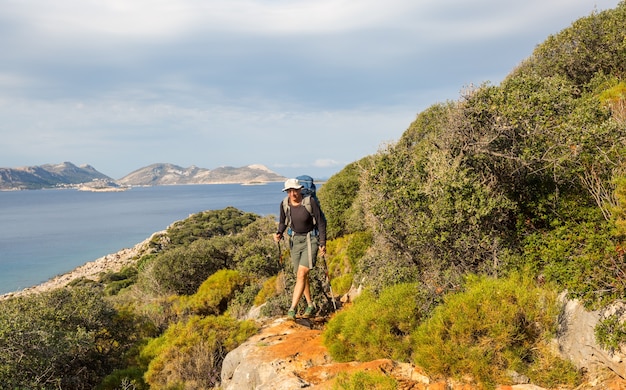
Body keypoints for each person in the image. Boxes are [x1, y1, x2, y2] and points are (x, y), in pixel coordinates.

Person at [274, 178, 327, 320]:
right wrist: (279, 233)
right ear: (287, 192)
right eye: (289, 191)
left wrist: (322, 242)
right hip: (295, 241)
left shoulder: (310, 202)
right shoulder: (284, 204)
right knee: (301, 276)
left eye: (295, 190)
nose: (293, 193)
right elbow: (282, 221)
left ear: (300, 189)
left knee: (301, 274)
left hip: (311, 240)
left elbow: (321, 222)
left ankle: (292, 309)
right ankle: (310, 304)